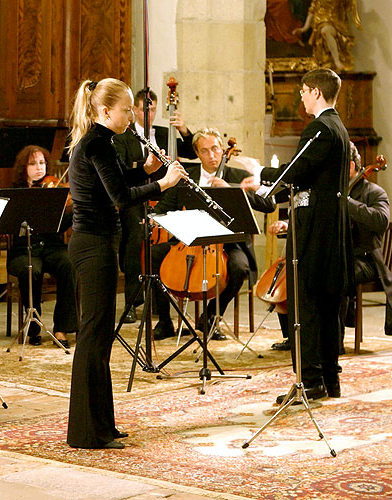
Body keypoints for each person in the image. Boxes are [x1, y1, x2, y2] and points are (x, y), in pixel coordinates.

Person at [66, 78, 186, 449]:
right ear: (105, 111)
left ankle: (101, 424)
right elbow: (119, 196)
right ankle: (87, 432)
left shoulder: (101, 142)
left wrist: (149, 171)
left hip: (98, 243)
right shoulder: (97, 143)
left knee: (101, 336)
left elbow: (116, 181)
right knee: (94, 335)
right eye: (126, 109)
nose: (132, 115)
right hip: (93, 245)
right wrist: (163, 184)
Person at [244, 68, 353, 403]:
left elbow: (295, 172)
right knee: (326, 303)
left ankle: (309, 381)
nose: (302, 98)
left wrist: (258, 172)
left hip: (314, 227)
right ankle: (329, 379)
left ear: (315, 92)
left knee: (304, 304)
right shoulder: (340, 128)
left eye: (304, 92)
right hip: (330, 224)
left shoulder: (319, 128)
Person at [270, 142, 392, 357]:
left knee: (336, 273)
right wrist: (288, 225)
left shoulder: (375, 192)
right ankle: (296, 336)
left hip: (365, 261)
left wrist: (346, 202)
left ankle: (334, 343)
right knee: (296, 270)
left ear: (351, 166)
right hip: (335, 255)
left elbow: (380, 221)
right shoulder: (330, 192)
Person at [151, 128, 276, 341]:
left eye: (216, 149)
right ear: (197, 154)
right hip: (189, 241)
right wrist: (153, 216)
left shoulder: (238, 177)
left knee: (239, 268)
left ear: (222, 150)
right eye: (205, 151)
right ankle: (165, 321)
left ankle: (210, 316)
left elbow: (269, 204)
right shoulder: (185, 178)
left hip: (229, 244)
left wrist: (235, 192)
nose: (212, 156)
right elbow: (164, 206)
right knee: (153, 256)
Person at [112, 89, 197, 322]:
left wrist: (184, 131)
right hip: (137, 197)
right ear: (135, 111)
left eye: (153, 108)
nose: (149, 112)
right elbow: (122, 171)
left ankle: (162, 299)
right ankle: (131, 302)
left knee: (171, 241)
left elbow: (191, 153)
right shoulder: (122, 136)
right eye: (144, 109)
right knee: (135, 239)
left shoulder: (163, 132)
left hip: (167, 197)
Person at [6, 145, 78, 348]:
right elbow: (9, 227)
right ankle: (33, 325)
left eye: (42, 163)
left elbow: (62, 226)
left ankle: (61, 327)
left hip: (52, 246)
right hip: (23, 249)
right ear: (23, 168)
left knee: (68, 264)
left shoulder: (55, 190)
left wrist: (73, 211)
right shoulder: (16, 193)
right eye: (32, 164)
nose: (39, 168)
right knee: (32, 270)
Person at [294, 0, 362, 72]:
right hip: (320, 23)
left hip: (336, 23)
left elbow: (348, 4)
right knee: (325, 31)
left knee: (326, 31)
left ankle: (336, 60)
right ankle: (335, 61)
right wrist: (304, 28)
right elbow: (312, 11)